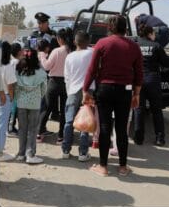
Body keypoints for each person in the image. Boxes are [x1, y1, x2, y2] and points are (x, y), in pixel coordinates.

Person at [83, 14, 143, 177]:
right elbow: (139, 72)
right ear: (126, 28)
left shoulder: (102, 43)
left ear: (109, 28)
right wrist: (136, 94)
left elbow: (92, 69)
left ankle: (103, 167)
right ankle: (123, 167)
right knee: (122, 128)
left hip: (104, 89)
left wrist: (85, 90)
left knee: (104, 127)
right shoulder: (134, 46)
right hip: (125, 90)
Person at [133, 24, 169, 146]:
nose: (155, 36)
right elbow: (166, 62)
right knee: (156, 110)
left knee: (139, 110)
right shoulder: (156, 46)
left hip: (138, 81)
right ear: (150, 34)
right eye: (154, 33)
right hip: (153, 81)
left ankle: (138, 139)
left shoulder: (134, 45)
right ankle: (160, 139)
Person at [61, 31, 94, 162]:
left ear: (74, 42)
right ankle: (83, 152)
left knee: (69, 122)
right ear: (88, 42)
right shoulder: (91, 53)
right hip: (88, 90)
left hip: (72, 90)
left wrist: (69, 92)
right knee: (85, 122)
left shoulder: (69, 56)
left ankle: (65, 150)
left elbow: (66, 77)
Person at [37, 28, 74, 144]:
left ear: (60, 39)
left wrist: (42, 56)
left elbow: (47, 66)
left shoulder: (56, 51)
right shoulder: (72, 51)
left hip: (53, 82)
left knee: (46, 108)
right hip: (67, 83)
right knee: (64, 110)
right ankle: (61, 137)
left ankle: (39, 133)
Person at [15, 49, 47, 164]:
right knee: (32, 129)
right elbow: (44, 89)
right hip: (34, 103)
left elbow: (16, 88)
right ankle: (30, 154)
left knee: (22, 128)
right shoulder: (41, 72)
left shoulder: (18, 71)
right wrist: (38, 96)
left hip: (21, 103)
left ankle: (21, 154)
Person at [0, 41, 17, 161]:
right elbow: (10, 86)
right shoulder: (7, 66)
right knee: (1, 125)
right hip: (4, 96)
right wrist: (11, 97)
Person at [8, 42, 24, 135]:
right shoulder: (18, 62)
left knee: (14, 109)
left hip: (13, 88)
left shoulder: (11, 61)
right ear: (19, 52)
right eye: (22, 50)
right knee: (14, 110)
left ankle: (12, 127)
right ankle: (11, 128)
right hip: (16, 89)